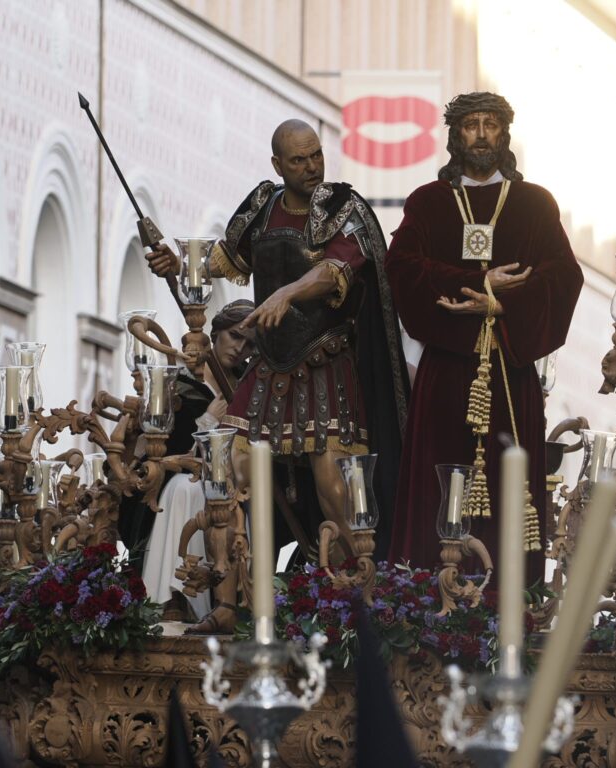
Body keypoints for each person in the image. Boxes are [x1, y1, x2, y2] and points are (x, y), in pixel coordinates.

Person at [147, 120, 409, 629]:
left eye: (316, 155)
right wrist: (179, 264)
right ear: (277, 164)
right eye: (298, 160)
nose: (312, 167)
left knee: (337, 490)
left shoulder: (343, 207)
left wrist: (287, 292)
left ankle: (355, 604)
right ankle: (229, 602)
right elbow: (222, 259)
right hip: (269, 370)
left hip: (326, 364)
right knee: (225, 476)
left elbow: (337, 270)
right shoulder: (262, 206)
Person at [385, 92, 583, 585]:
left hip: (509, 374)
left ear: (504, 133)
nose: (480, 134)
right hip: (446, 375)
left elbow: (563, 276)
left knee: (508, 483)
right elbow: (402, 268)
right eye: (470, 124)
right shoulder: (428, 202)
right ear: (455, 135)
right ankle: (427, 598)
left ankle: (507, 600)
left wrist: (500, 306)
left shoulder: (534, 204)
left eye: (489, 124)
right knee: (437, 482)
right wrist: (477, 284)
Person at [141, 300, 255, 620]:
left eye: (249, 344)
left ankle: (223, 601)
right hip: (186, 475)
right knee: (185, 488)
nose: (240, 348)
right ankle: (173, 595)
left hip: (235, 481)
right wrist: (208, 420)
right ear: (216, 333)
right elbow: (165, 443)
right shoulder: (183, 383)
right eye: (235, 336)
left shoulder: (248, 386)